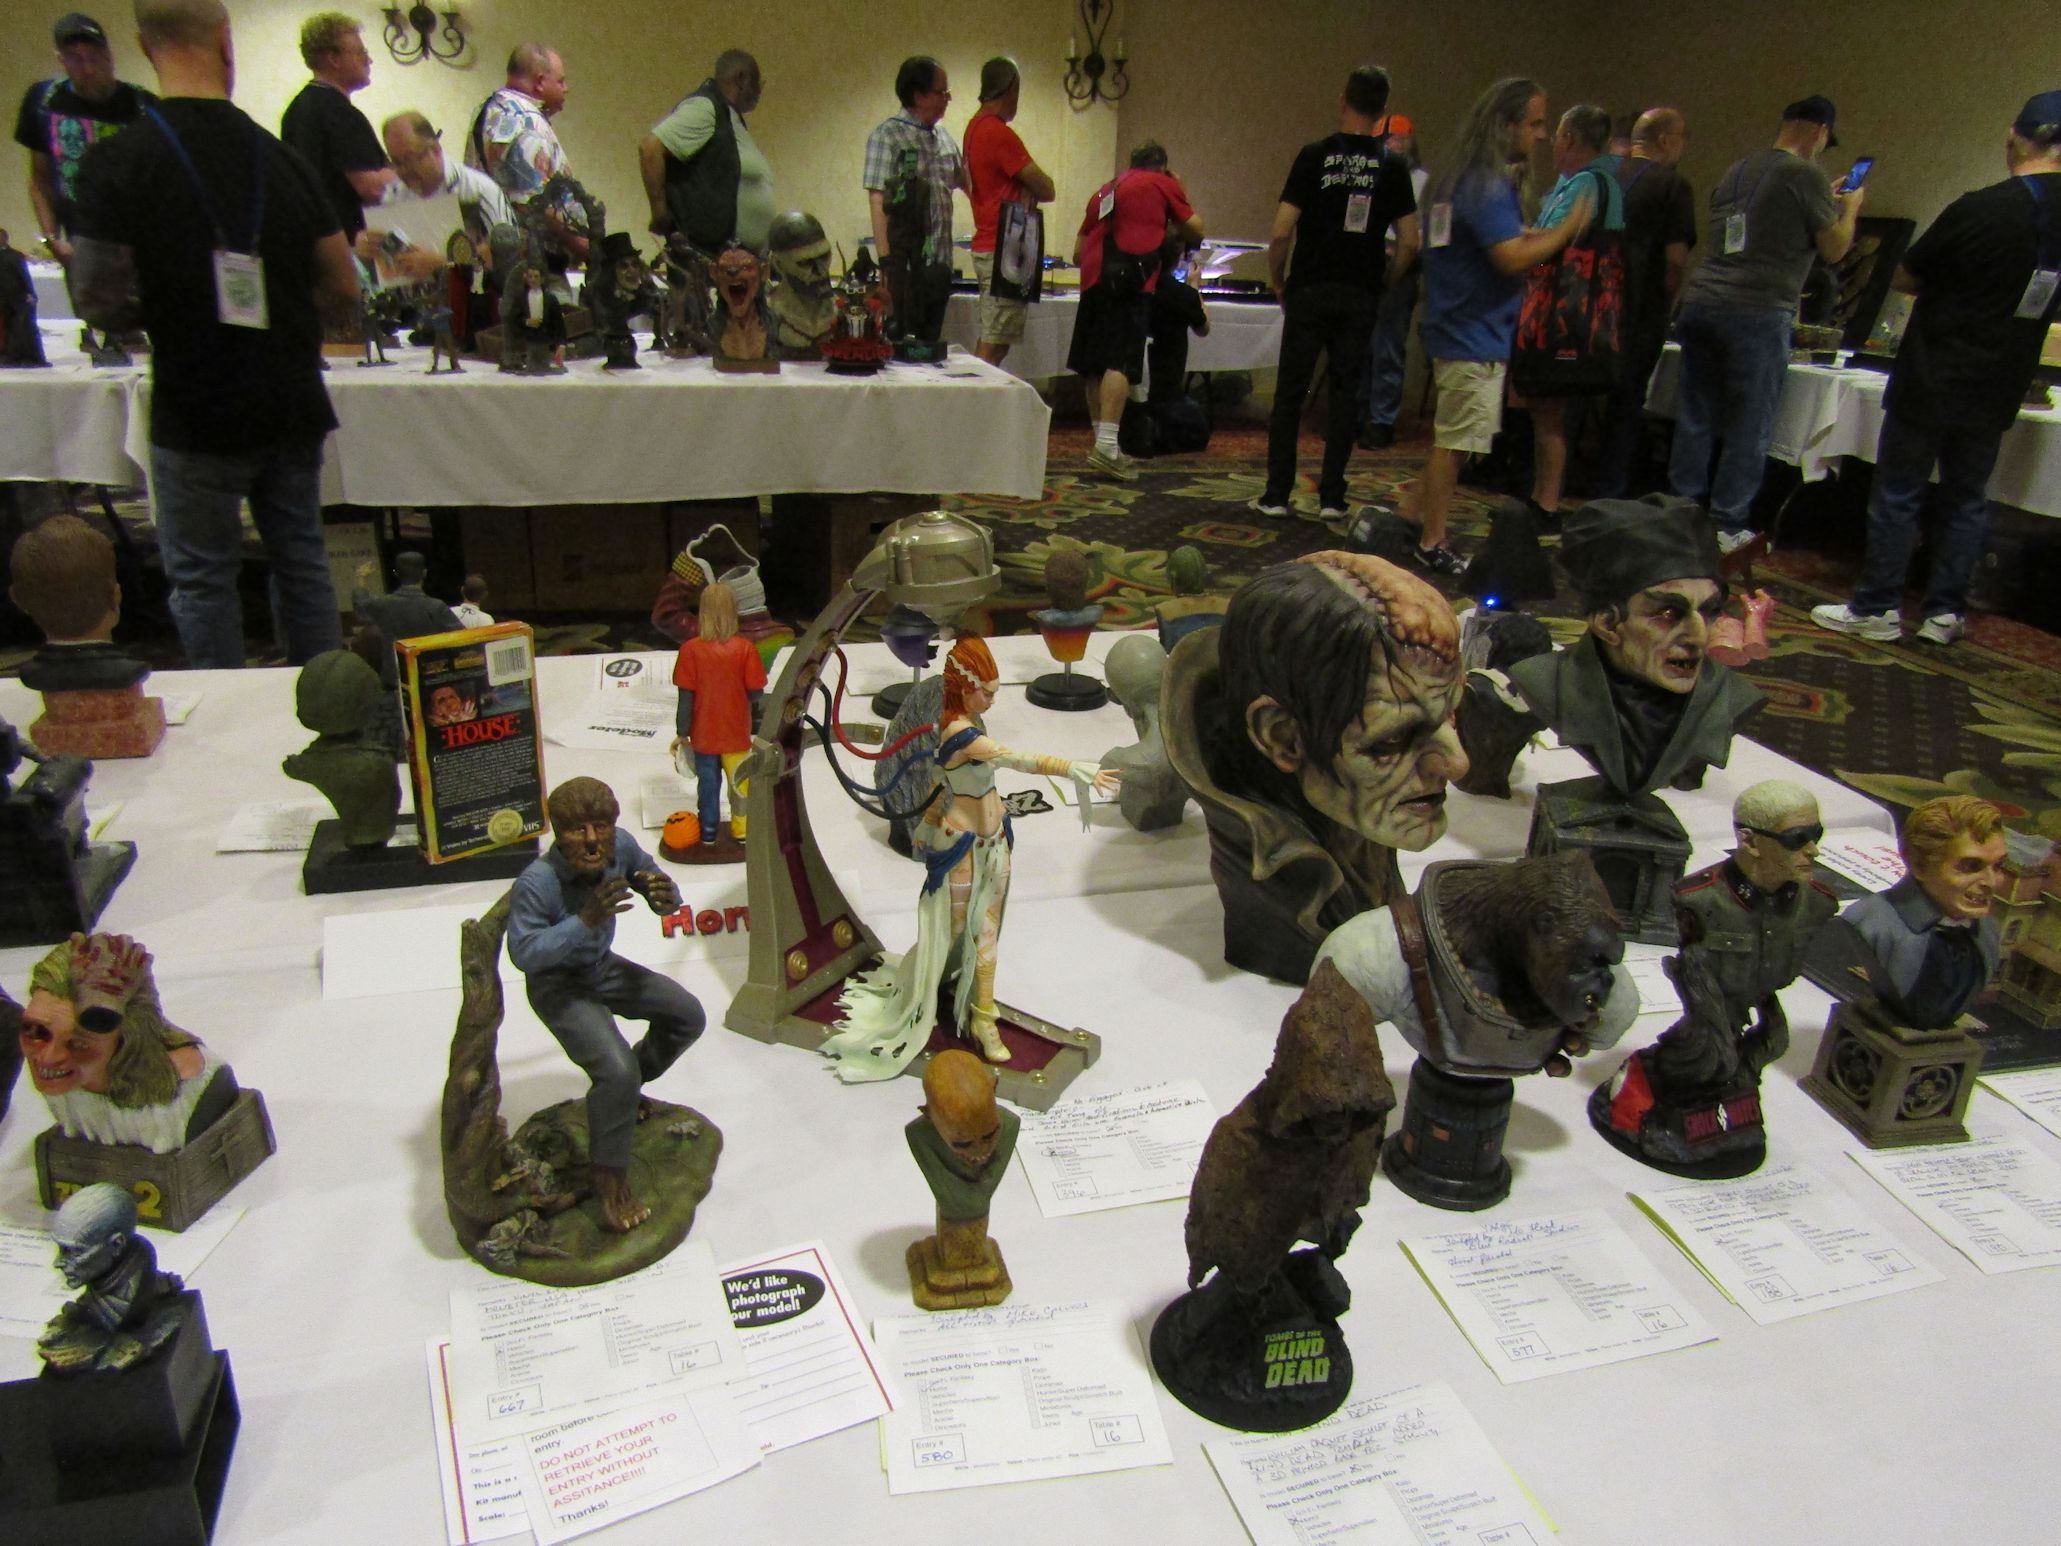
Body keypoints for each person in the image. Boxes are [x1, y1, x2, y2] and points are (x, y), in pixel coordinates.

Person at [70, 0, 352, 670]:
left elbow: (98, 298)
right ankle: (328, 698)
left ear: (144, 46)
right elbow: (343, 285)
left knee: (202, 577)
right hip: (289, 395)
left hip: (194, 400)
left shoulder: (117, 164)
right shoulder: (283, 161)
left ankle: (225, 713)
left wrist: (172, 310)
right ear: (227, 42)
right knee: (302, 561)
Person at [1813, 90, 2061, 647]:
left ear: (2016, 138)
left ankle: (1876, 606)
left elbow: (1905, 276)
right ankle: (1945, 612)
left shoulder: (1984, 206)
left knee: (1899, 493)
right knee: (1967, 498)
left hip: (1935, 370)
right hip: (2002, 380)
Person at [1161, 551, 1467, 984]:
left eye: (1451, 715)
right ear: (1284, 738)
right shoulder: (1279, 871)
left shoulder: (1360, 813)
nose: (1457, 763)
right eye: (1394, 737)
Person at [822, 636, 1118, 1078]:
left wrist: (927, 820)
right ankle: (928, 993)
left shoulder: (969, 725)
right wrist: (1071, 767)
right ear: (965, 687)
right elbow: (1016, 759)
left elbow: (939, 781)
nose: (994, 700)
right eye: (988, 692)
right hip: (961, 846)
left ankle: (983, 1017)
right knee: (955, 931)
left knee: (988, 934)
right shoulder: (960, 733)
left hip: (995, 841)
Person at [1405, 78, 1593, 578]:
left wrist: (1536, 235)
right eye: (1534, 124)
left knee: (1457, 433)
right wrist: (1567, 229)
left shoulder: (1456, 179)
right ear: (1504, 124)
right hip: (1472, 330)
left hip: (1455, 322)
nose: (1541, 135)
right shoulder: (1487, 184)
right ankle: (1432, 540)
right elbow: (1509, 257)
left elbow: (1491, 239)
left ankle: (1409, 514)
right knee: (1456, 441)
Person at [1457, 497, 1764, 800]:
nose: (1699, 636)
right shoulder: (1545, 683)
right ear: (1608, 622)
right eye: (1669, 614)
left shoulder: (1729, 699)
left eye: (1710, 610)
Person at [506, 776, 705, 1233]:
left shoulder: (621, 847)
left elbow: (652, 875)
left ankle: (626, 1094)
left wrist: (663, 896)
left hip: (602, 968)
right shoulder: (538, 882)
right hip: (559, 986)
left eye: (601, 827)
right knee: (615, 1070)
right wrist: (585, 920)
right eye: (578, 830)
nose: (593, 840)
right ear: (558, 833)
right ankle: (610, 1179)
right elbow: (525, 953)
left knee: (686, 1015)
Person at [1668, 95, 1862, 551]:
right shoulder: (1806, 174)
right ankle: (1727, 523)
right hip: (1756, 310)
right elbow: (1834, 248)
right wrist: (1850, 208)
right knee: (1748, 423)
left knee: (1696, 416)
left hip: (1702, 302)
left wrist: (1822, 201)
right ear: (1819, 132)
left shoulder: (1739, 169)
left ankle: (1678, 512)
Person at [1253, 65, 1419, 521]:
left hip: (1310, 287)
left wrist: (1278, 279)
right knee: (1346, 393)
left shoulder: (1314, 156)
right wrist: (1385, 282)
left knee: (1291, 392)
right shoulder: (1392, 167)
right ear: (1383, 112)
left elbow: (1281, 231)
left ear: (1343, 100)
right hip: (1359, 291)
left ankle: (1276, 493)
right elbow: (1409, 241)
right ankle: (1332, 497)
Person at [15, 931, 237, 1155]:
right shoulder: (63, 1086)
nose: (48, 1057)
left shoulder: (187, 1089)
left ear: (128, 1041)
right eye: (35, 1033)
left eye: (79, 1044)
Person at [1516, 103, 1625, 526]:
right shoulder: (1597, 181)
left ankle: (1545, 503)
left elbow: (1554, 241)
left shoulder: (1588, 183)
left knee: (1550, 413)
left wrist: (1511, 237)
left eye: (1557, 133)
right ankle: (1540, 497)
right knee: (1548, 412)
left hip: (1565, 318)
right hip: (1572, 316)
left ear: (1571, 138)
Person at [1067, 140, 1202, 480]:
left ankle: (1103, 444)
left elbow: (1078, 252)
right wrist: (1177, 189)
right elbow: (1195, 228)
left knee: (1095, 364)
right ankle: (1108, 446)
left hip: (1093, 280)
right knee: (1121, 361)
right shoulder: (1162, 183)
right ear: (1161, 166)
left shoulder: (1107, 189)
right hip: (1129, 281)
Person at [1593, 107, 1696, 498]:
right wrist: (1669, 301)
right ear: (1666, 140)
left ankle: (1556, 485)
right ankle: (1610, 491)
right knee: (1626, 404)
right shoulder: (1672, 185)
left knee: (1576, 401)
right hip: (1639, 311)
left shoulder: (1600, 177)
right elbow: (1675, 258)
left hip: (1590, 307)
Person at [1837, 795, 2006, 1029]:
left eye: (1998, 866)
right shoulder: (1871, 922)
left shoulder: (1988, 931)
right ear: (1919, 865)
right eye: (1969, 866)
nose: (1991, 882)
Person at [14, 12, 155, 269]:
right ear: (61, 60)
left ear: (109, 56)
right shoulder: (44, 102)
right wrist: (52, 239)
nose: (88, 69)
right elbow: (40, 180)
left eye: (94, 57)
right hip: (80, 247)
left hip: (139, 244)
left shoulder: (143, 106)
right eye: (76, 59)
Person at [862, 56, 968, 345]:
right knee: (901, 346)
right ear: (918, 96)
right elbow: (878, 200)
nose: (948, 99)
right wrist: (886, 263)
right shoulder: (887, 136)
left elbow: (967, 183)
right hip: (905, 266)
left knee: (930, 346)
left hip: (939, 263)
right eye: (942, 92)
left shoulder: (944, 138)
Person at [963, 56, 1055, 367]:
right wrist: (1029, 186)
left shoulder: (974, 127)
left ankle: (979, 395)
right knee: (994, 343)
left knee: (996, 338)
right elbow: (1047, 188)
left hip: (994, 244)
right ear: (1010, 89)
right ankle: (976, 397)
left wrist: (1025, 186)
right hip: (1005, 247)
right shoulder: (997, 132)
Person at [639, 48, 772, 253]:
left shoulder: (728, 116)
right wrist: (660, 214)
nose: (758, 92)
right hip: (706, 255)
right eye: (757, 84)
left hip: (734, 257)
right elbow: (650, 148)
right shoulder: (705, 107)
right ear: (741, 79)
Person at [466, 42, 587, 265]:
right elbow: (532, 203)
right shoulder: (526, 121)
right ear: (540, 81)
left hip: (497, 255)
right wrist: (585, 247)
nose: (566, 88)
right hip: (530, 265)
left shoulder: (492, 108)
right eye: (560, 81)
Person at [279, 12, 391, 244]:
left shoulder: (295, 110)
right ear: (334, 59)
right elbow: (372, 188)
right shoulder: (340, 114)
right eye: (361, 52)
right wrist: (408, 169)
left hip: (315, 242)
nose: (369, 60)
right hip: (352, 245)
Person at [670, 581, 766, 850]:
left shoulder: (690, 650)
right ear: (733, 611)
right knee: (740, 786)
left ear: (702, 612)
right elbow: (756, 692)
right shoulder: (745, 649)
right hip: (736, 733)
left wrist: (681, 732)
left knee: (708, 787)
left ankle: (708, 832)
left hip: (704, 736)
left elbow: (685, 698)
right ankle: (741, 829)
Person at [1356, 113, 1427, 449]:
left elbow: (1427, 236)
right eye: (1385, 141)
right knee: (1360, 344)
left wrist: (1398, 258)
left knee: (1388, 347)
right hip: (1366, 265)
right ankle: (1357, 414)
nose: (1392, 145)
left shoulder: (1423, 183)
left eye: (1398, 139)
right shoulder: (1367, 177)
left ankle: (1381, 420)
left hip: (1401, 267)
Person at [373, 110, 513, 254]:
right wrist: (369, 249)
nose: (404, 170)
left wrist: (440, 263)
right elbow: (387, 255)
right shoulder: (394, 194)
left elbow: (507, 253)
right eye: (396, 162)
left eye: (410, 159)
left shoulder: (481, 190)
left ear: (435, 149)